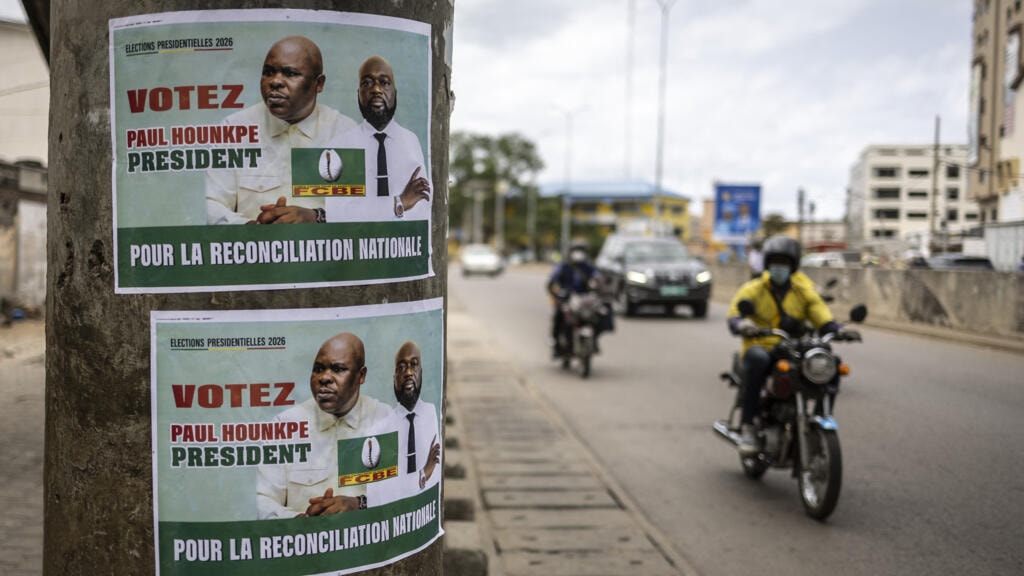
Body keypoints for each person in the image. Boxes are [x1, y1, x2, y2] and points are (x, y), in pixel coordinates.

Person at [206, 36, 357, 225]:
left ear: (319, 84)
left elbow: (358, 212)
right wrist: (250, 228)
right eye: (268, 72)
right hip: (253, 249)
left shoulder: (345, 132)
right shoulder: (234, 129)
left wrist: (315, 217)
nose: (275, 81)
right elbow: (211, 204)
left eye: (290, 73)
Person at [726, 235, 848, 456]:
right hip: (761, 344)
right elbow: (734, 315)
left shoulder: (803, 290)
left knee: (831, 361)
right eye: (775, 262)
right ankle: (748, 426)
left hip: (792, 346)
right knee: (758, 360)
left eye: (784, 262)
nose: (779, 267)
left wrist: (837, 329)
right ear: (767, 264)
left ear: (792, 266)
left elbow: (821, 314)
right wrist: (742, 324)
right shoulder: (753, 289)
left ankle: (822, 414)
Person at [256, 332, 391, 519]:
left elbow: (402, 493)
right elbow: (263, 500)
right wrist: (298, 521)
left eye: (338, 369)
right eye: (318, 369)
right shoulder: (285, 425)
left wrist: (358, 504)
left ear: (361, 375)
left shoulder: (384, 419)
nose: (325, 378)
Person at [324, 55, 431, 222]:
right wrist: (399, 202)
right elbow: (338, 214)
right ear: (358, 94)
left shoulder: (411, 141)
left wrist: (371, 208)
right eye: (366, 83)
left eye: (384, 82)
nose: (376, 89)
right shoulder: (340, 146)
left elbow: (421, 207)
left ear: (394, 93)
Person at [368, 341, 441, 505]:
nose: (408, 372)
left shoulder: (431, 414)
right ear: (394, 379)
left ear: (421, 373)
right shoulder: (382, 427)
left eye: (413, 365)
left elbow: (435, 479)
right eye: (401, 367)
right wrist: (423, 473)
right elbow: (380, 493)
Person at [547, 241, 604, 357]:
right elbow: (552, 282)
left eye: (581, 251)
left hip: (584, 301)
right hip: (567, 299)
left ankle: (594, 341)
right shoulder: (563, 266)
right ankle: (556, 343)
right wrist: (556, 294)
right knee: (559, 316)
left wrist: (600, 286)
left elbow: (598, 278)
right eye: (576, 251)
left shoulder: (589, 267)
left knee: (600, 316)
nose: (579, 254)